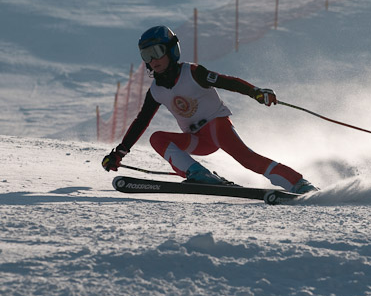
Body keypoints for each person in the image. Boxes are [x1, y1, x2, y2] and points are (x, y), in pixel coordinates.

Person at [102, 25, 318, 194]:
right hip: (198, 140)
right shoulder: (156, 90)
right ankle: (198, 174)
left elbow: (227, 82)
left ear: (171, 50)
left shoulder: (193, 72)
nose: (152, 60)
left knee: (246, 158)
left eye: (157, 52)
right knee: (157, 138)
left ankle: (298, 183)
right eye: (146, 55)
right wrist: (119, 153)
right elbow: (142, 121)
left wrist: (256, 92)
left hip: (218, 126)